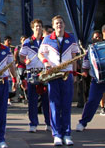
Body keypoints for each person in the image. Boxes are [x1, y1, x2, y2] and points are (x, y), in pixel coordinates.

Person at [38, 15, 80, 146]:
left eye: (61, 23)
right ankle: (57, 135)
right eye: (56, 24)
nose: (59, 25)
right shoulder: (47, 39)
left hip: (66, 74)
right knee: (54, 105)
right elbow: (40, 54)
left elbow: (74, 57)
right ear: (53, 26)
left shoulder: (71, 38)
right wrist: (46, 63)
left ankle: (67, 134)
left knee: (66, 105)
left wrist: (74, 73)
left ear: (64, 25)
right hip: (53, 75)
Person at [19, 19, 50, 132]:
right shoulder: (27, 42)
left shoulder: (46, 41)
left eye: (40, 26)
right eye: (36, 26)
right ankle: (33, 123)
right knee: (32, 100)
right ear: (32, 28)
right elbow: (21, 57)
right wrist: (25, 60)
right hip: (32, 72)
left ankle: (49, 123)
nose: (38, 28)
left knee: (47, 99)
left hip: (44, 72)